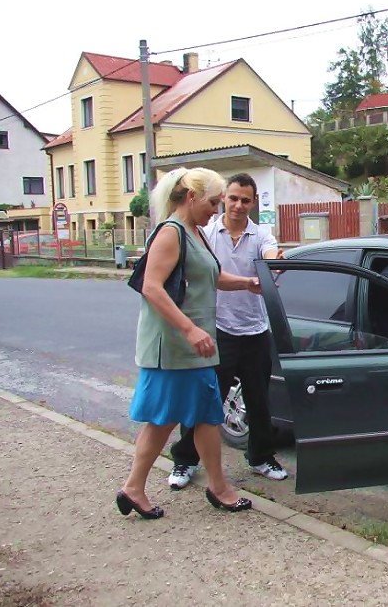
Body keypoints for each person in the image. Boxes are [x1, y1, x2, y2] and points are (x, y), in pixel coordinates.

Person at [116, 167, 260, 519]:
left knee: (199, 416)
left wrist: (247, 283)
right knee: (175, 418)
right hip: (174, 347)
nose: (217, 209)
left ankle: (206, 486)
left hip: (194, 348)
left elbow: (212, 276)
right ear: (192, 197)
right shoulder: (172, 232)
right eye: (213, 202)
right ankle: (147, 488)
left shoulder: (195, 232)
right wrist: (190, 330)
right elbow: (152, 287)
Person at [168, 172, 288, 490]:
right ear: (224, 198)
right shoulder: (206, 232)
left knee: (259, 402)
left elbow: (271, 256)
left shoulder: (261, 235)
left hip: (255, 330)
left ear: (253, 202)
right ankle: (185, 460)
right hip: (217, 329)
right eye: (233, 198)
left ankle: (261, 457)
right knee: (205, 399)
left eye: (245, 200)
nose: (238, 205)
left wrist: (274, 263)